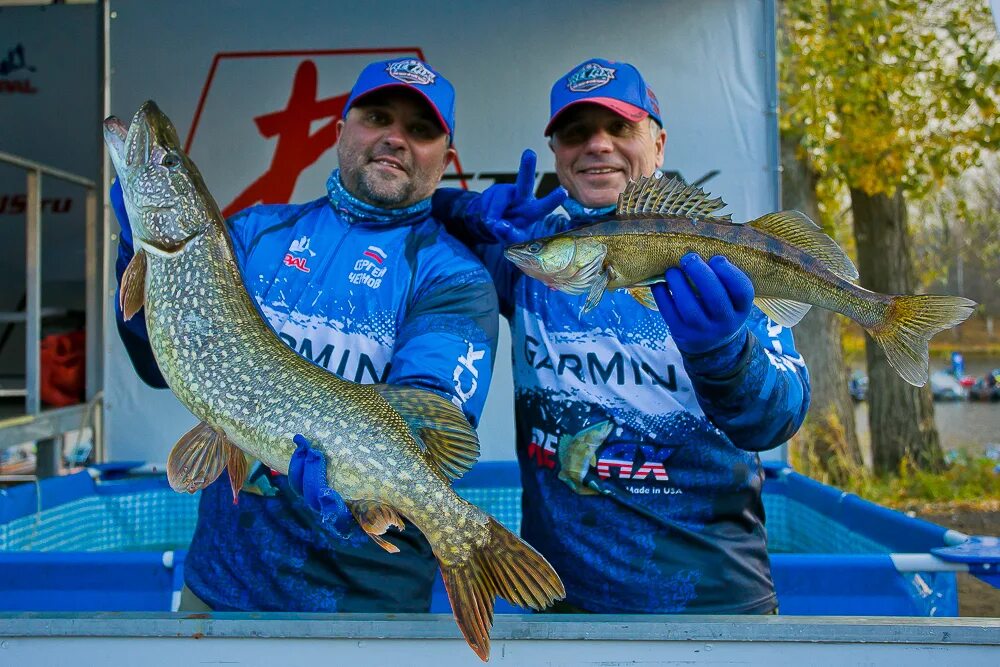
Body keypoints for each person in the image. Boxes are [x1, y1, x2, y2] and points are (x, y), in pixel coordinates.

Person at [111, 58, 499, 613]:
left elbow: (430, 419)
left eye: (420, 129)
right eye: (377, 117)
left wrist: (361, 477)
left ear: (446, 159)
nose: (395, 137)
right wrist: (138, 255)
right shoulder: (250, 232)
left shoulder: (455, 277)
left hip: (365, 601)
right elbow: (160, 365)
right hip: (222, 587)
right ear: (340, 132)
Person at [432, 58, 810, 614]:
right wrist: (470, 209)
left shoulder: (722, 255)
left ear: (658, 145)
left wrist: (728, 356)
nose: (598, 145)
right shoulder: (529, 258)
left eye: (620, 128)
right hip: (560, 598)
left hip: (713, 600)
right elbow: (419, 211)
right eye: (576, 132)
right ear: (557, 153)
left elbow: (779, 418)